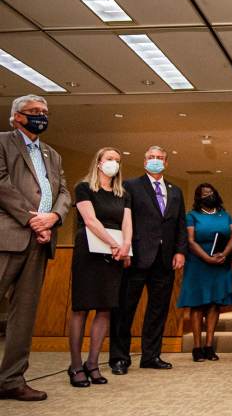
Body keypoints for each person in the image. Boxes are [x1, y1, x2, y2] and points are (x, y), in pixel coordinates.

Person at [0, 95, 70, 401]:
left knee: (24, 315)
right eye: (33, 112)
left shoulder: (51, 154)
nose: (41, 116)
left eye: (44, 112)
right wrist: (33, 220)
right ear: (17, 117)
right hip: (8, 235)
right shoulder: (3, 143)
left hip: (40, 243)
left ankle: (11, 379)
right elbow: (2, 184)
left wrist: (53, 217)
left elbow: (63, 191)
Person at [109, 146, 187, 374]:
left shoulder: (175, 190)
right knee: (125, 309)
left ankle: (151, 356)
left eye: (160, 158)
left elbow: (180, 224)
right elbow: (122, 219)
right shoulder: (131, 186)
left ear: (166, 162)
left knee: (158, 310)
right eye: (151, 158)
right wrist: (126, 250)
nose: (156, 161)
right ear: (144, 162)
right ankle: (119, 358)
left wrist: (180, 251)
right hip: (136, 258)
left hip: (165, 260)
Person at [68, 148, 132, 388]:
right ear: (98, 163)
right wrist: (114, 243)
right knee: (81, 308)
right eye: (109, 159)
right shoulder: (84, 187)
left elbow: (127, 222)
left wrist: (125, 246)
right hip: (90, 250)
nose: (113, 164)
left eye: (117, 160)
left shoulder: (122, 193)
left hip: (114, 254)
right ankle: (75, 365)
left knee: (105, 308)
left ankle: (92, 363)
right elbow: (90, 220)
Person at [177, 183, 232, 362]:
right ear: (198, 198)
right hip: (198, 264)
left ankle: (209, 346)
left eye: (211, 193)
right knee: (197, 305)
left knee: (214, 304)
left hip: (221, 263)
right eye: (204, 194)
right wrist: (207, 258)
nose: (208, 196)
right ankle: (197, 347)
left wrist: (224, 254)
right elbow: (190, 240)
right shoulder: (192, 216)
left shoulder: (225, 215)